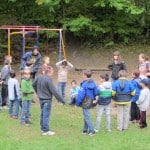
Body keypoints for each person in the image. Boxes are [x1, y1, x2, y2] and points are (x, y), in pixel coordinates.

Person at [33, 66, 65, 136]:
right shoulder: (48, 80)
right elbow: (54, 91)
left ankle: (42, 128)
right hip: (47, 100)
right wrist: (62, 100)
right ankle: (46, 130)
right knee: (46, 115)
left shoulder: (39, 77)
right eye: (52, 73)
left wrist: (38, 93)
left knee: (42, 114)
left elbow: (33, 84)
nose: (52, 74)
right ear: (49, 72)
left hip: (41, 99)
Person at [76, 70, 99, 136]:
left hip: (85, 101)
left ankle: (92, 131)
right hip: (90, 100)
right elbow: (96, 92)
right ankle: (85, 130)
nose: (82, 76)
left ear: (85, 75)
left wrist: (77, 103)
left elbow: (81, 94)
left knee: (87, 116)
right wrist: (94, 100)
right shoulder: (93, 83)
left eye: (83, 75)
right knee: (86, 115)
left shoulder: (84, 84)